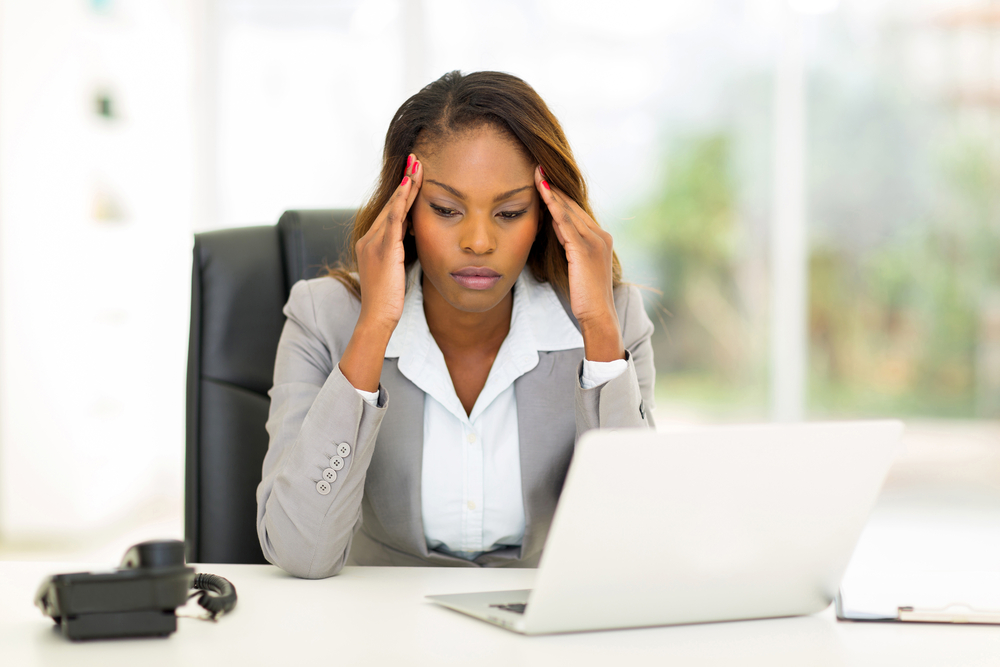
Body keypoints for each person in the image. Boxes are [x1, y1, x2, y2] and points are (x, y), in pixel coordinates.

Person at [256, 70, 655, 579]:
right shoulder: (323, 316)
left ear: (547, 217)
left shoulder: (612, 318)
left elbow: (635, 543)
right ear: (404, 211)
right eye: (446, 209)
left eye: (510, 212)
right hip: (377, 630)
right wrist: (373, 330)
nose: (478, 241)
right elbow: (298, 551)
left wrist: (598, 332)